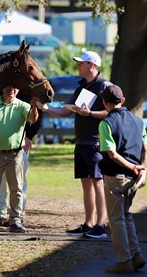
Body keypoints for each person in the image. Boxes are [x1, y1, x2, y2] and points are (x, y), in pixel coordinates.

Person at [36, 51, 110, 238]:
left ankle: (101, 225)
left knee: (98, 183)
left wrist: (90, 114)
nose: (78, 66)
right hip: (81, 143)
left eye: (81, 63)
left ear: (91, 65)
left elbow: (112, 112)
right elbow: (66, 112)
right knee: (86, 184)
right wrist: (45, 108)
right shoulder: (81, 88)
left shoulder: (105, 87)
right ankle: (89, 223)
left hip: (96, 142)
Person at [98, 85, 147, 274]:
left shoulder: (106, 123)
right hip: (133, 179)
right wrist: (141, 170)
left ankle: (124, 261)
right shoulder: (138, 121)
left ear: (105, 102)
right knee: (127, 216)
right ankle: (137, 255)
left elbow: (111, 153)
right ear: (123, 100)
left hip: (115, 177)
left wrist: (132, 166)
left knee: (116, 219)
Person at [0, 86, 39, 233]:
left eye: (14, 87)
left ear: (18, 90)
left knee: (16, 188)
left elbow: (32, 119)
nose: (11, 89)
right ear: (2, 89)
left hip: (16, 154)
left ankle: (15, 220)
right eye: (8, 87)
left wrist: (34, 107)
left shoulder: (23, 106)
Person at [0, 107, 43, 227]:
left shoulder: (27, 99)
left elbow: (38, 117)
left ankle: (18, 214)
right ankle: (0, 213)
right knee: (0, 180)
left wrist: (29, 136)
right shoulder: (0, 98)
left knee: (19, 182)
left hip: (20, 144)